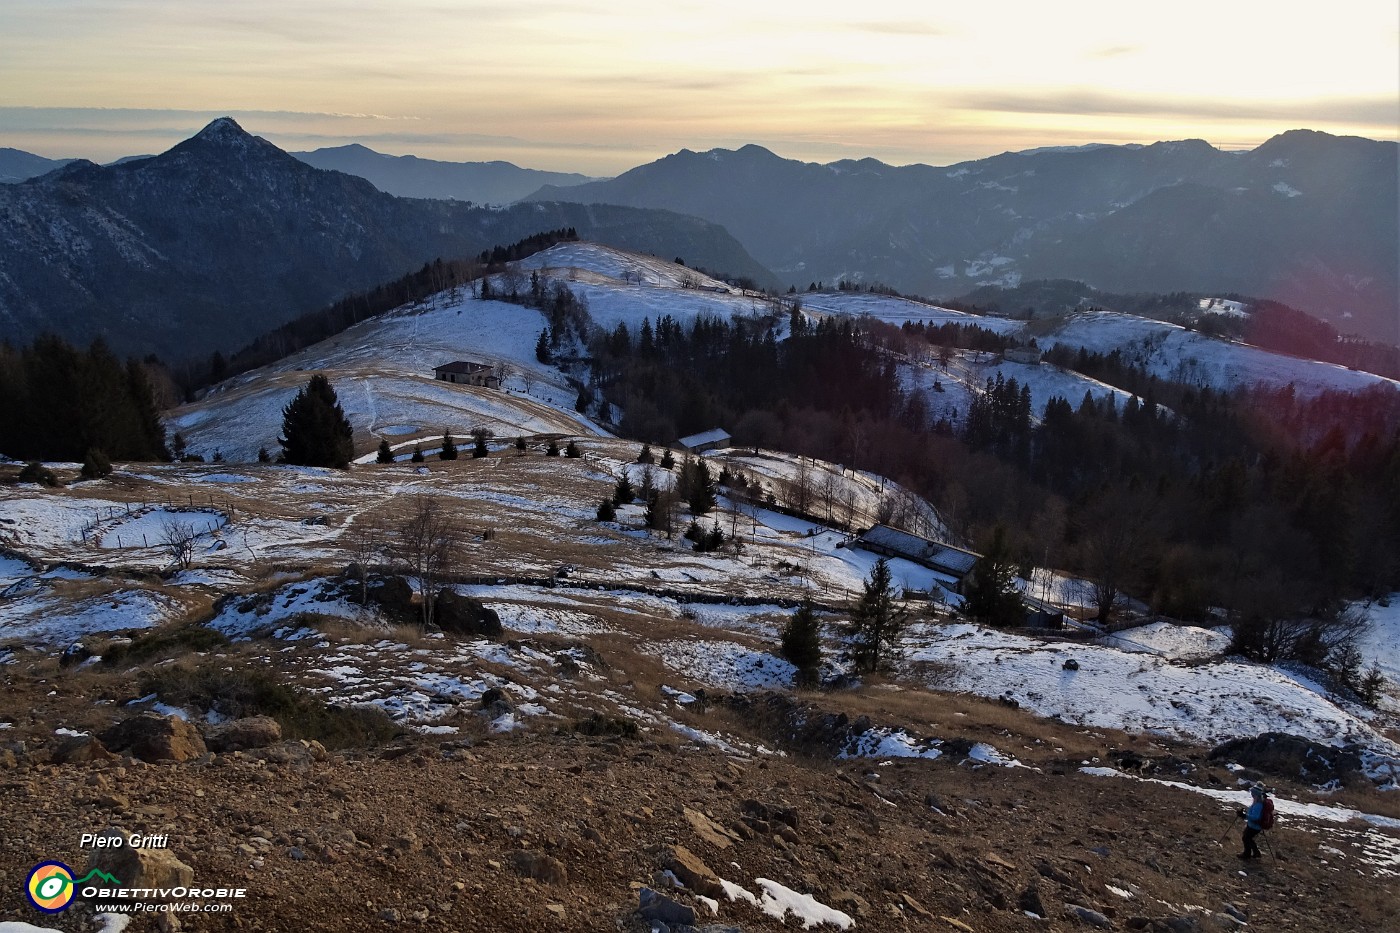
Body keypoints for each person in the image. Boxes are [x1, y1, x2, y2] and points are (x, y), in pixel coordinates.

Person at [1237, 784, 1266, 858]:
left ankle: (1248, 854)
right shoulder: (1256, 803)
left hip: (1255, 826)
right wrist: (1244, 814)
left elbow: (1255, 817)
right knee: (1247, 838)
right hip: (1253, 825)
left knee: (1246, 838)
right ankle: (1254, 853)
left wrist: (1245, 816)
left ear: (1256, 794)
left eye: (1253, 793)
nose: (1252, 795)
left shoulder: (1258, 805)